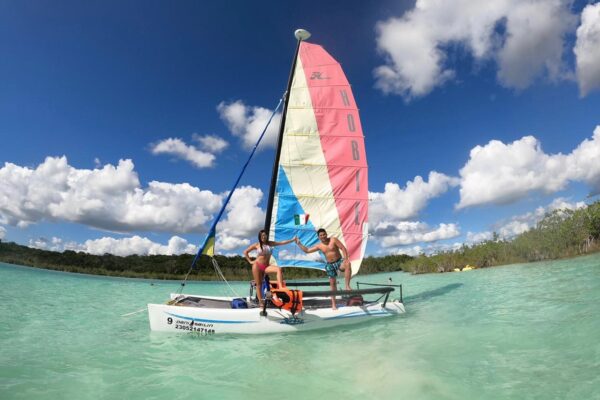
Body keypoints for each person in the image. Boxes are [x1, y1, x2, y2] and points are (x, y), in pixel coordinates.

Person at [295, 228, 351, 310]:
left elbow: (343, 248)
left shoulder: (333, 240)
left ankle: (347, 286)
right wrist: (299, 244)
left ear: (326, 234)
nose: (323, 236)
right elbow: (307, 250)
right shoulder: (319, 246)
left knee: (347, 263)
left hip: (339, 262)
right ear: (318, 237)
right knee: (333, 285)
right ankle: (334, 304)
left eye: (324, 234)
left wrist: (345, 259)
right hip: (330, 265)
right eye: (321, 235)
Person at [243, 229, 295, 306]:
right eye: (262, 235)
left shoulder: (270, 244)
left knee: (279, 269)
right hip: (257, 265)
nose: (264, 236)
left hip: (266, 266)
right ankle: (261, 302)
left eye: (265, 235)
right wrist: (250, 261)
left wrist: (292, 240)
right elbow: (245, 252)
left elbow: (281, 243)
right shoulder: (256, 245)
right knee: (259, 284)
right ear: (260, 237)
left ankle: (281, 287)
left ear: (267, 236)